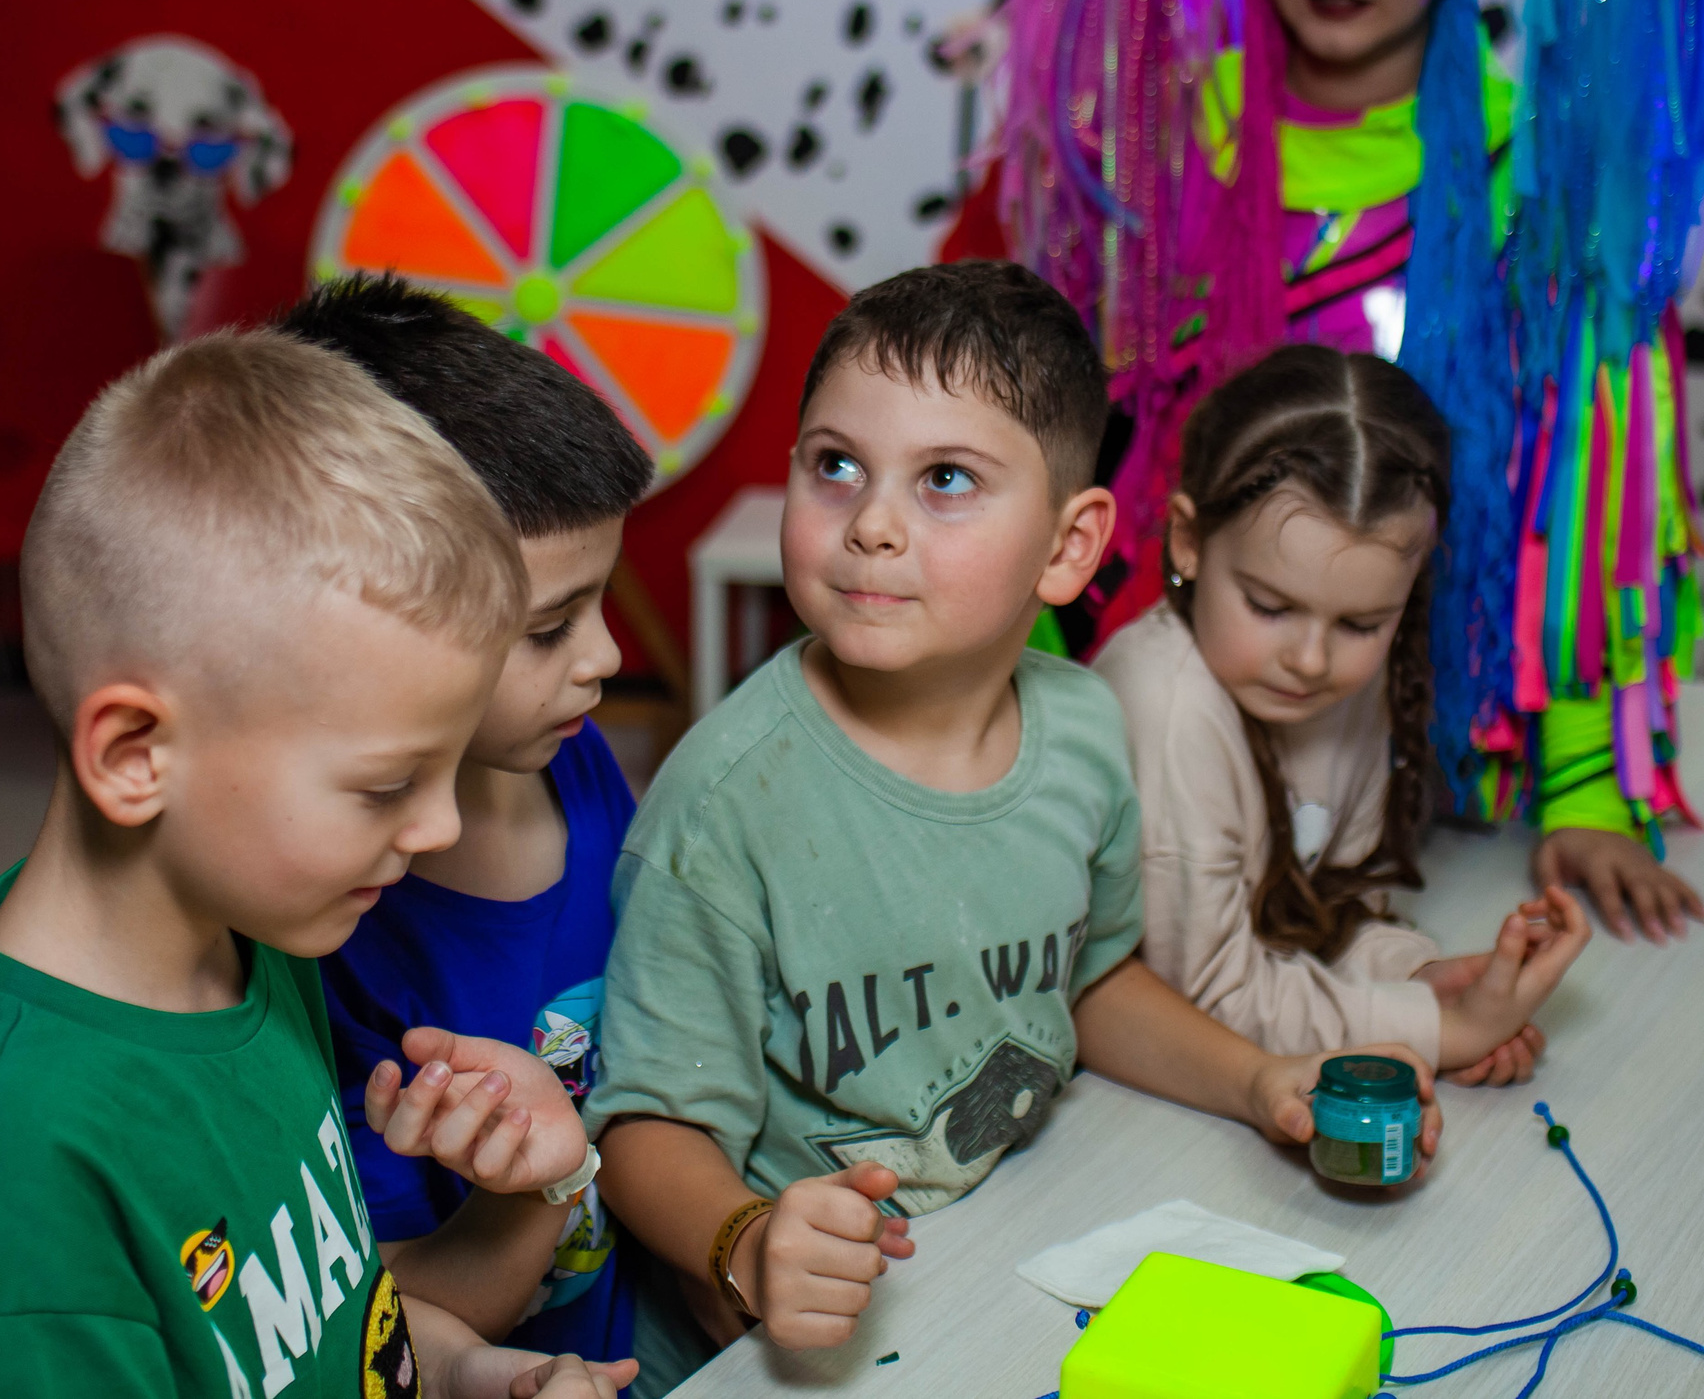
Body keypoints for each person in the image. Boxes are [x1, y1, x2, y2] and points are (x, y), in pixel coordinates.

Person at [983, 0, 1704, 941]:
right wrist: (1043, 738)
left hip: (1427, 758)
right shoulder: (1159, 146)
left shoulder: (1531, 182)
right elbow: (1078, 453)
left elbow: (1585, 487)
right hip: (1154, 730)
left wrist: (1584, 788)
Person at [585, 263, 1440, 1395]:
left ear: (1069, 546)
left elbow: (1090, 982)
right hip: (761, 1344)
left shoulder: (1084, 729)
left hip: (995, 1263)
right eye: (834, 466)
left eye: (944, 479)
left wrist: (1256, 1081)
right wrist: (746, 1241)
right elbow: (644, 1129)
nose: (872, 525)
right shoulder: (723, 806)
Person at [0, 331, 625, 1399]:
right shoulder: (12, 1151)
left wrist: (469, 1372)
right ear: (135, 756)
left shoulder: (262, 945)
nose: (439, 829)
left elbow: (328, 1336)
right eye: (388, 785)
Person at [279, 278, 653, 1376]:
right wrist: (541, 1186)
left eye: (598, 603)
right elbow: (393, 1326)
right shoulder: (340, 920)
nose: (606, 660)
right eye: (547, 629)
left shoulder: (573, 758)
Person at [1094, 345, 1588, 1084]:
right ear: (1189, 541)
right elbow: (1202, 992)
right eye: (1269, 605)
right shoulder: (1164, 703)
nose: (1313, 659)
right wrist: (1435, 1031)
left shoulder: (1347, 682)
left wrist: (1427, 979)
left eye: (1360, 624)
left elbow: (1326, 917)